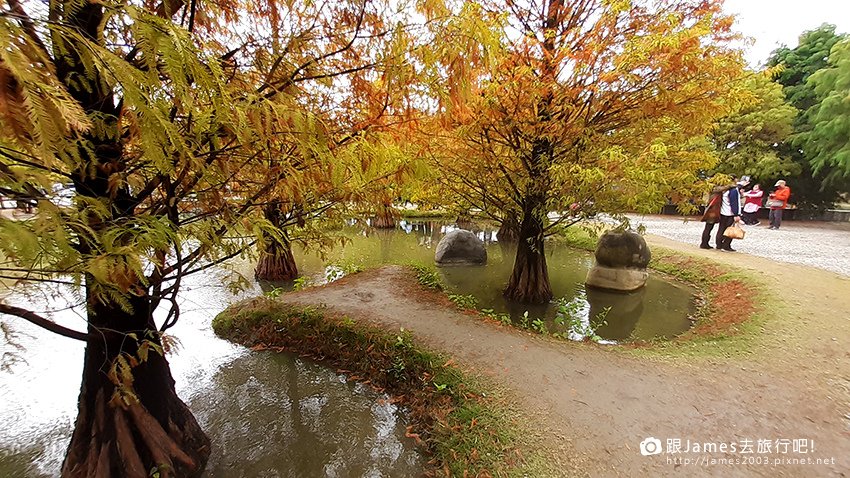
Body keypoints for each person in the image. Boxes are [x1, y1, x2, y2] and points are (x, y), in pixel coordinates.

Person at [700, 179, 736, 249]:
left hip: (711, 209)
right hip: (712, 210)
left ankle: (705, 243)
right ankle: (704, 243)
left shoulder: (710, 187)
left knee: (708, 227)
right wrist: (731, 185)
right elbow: (720, 188)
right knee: (708, 227)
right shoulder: (713, 187)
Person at [716, 177, 747, 251]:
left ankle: (719, 244)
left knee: (721, 229)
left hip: (723, 212)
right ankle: (726, 245)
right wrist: (736, 214)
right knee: (730, 229)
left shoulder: (724, 190)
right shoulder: (733, 190)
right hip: (730, 213)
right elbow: (734, 203)